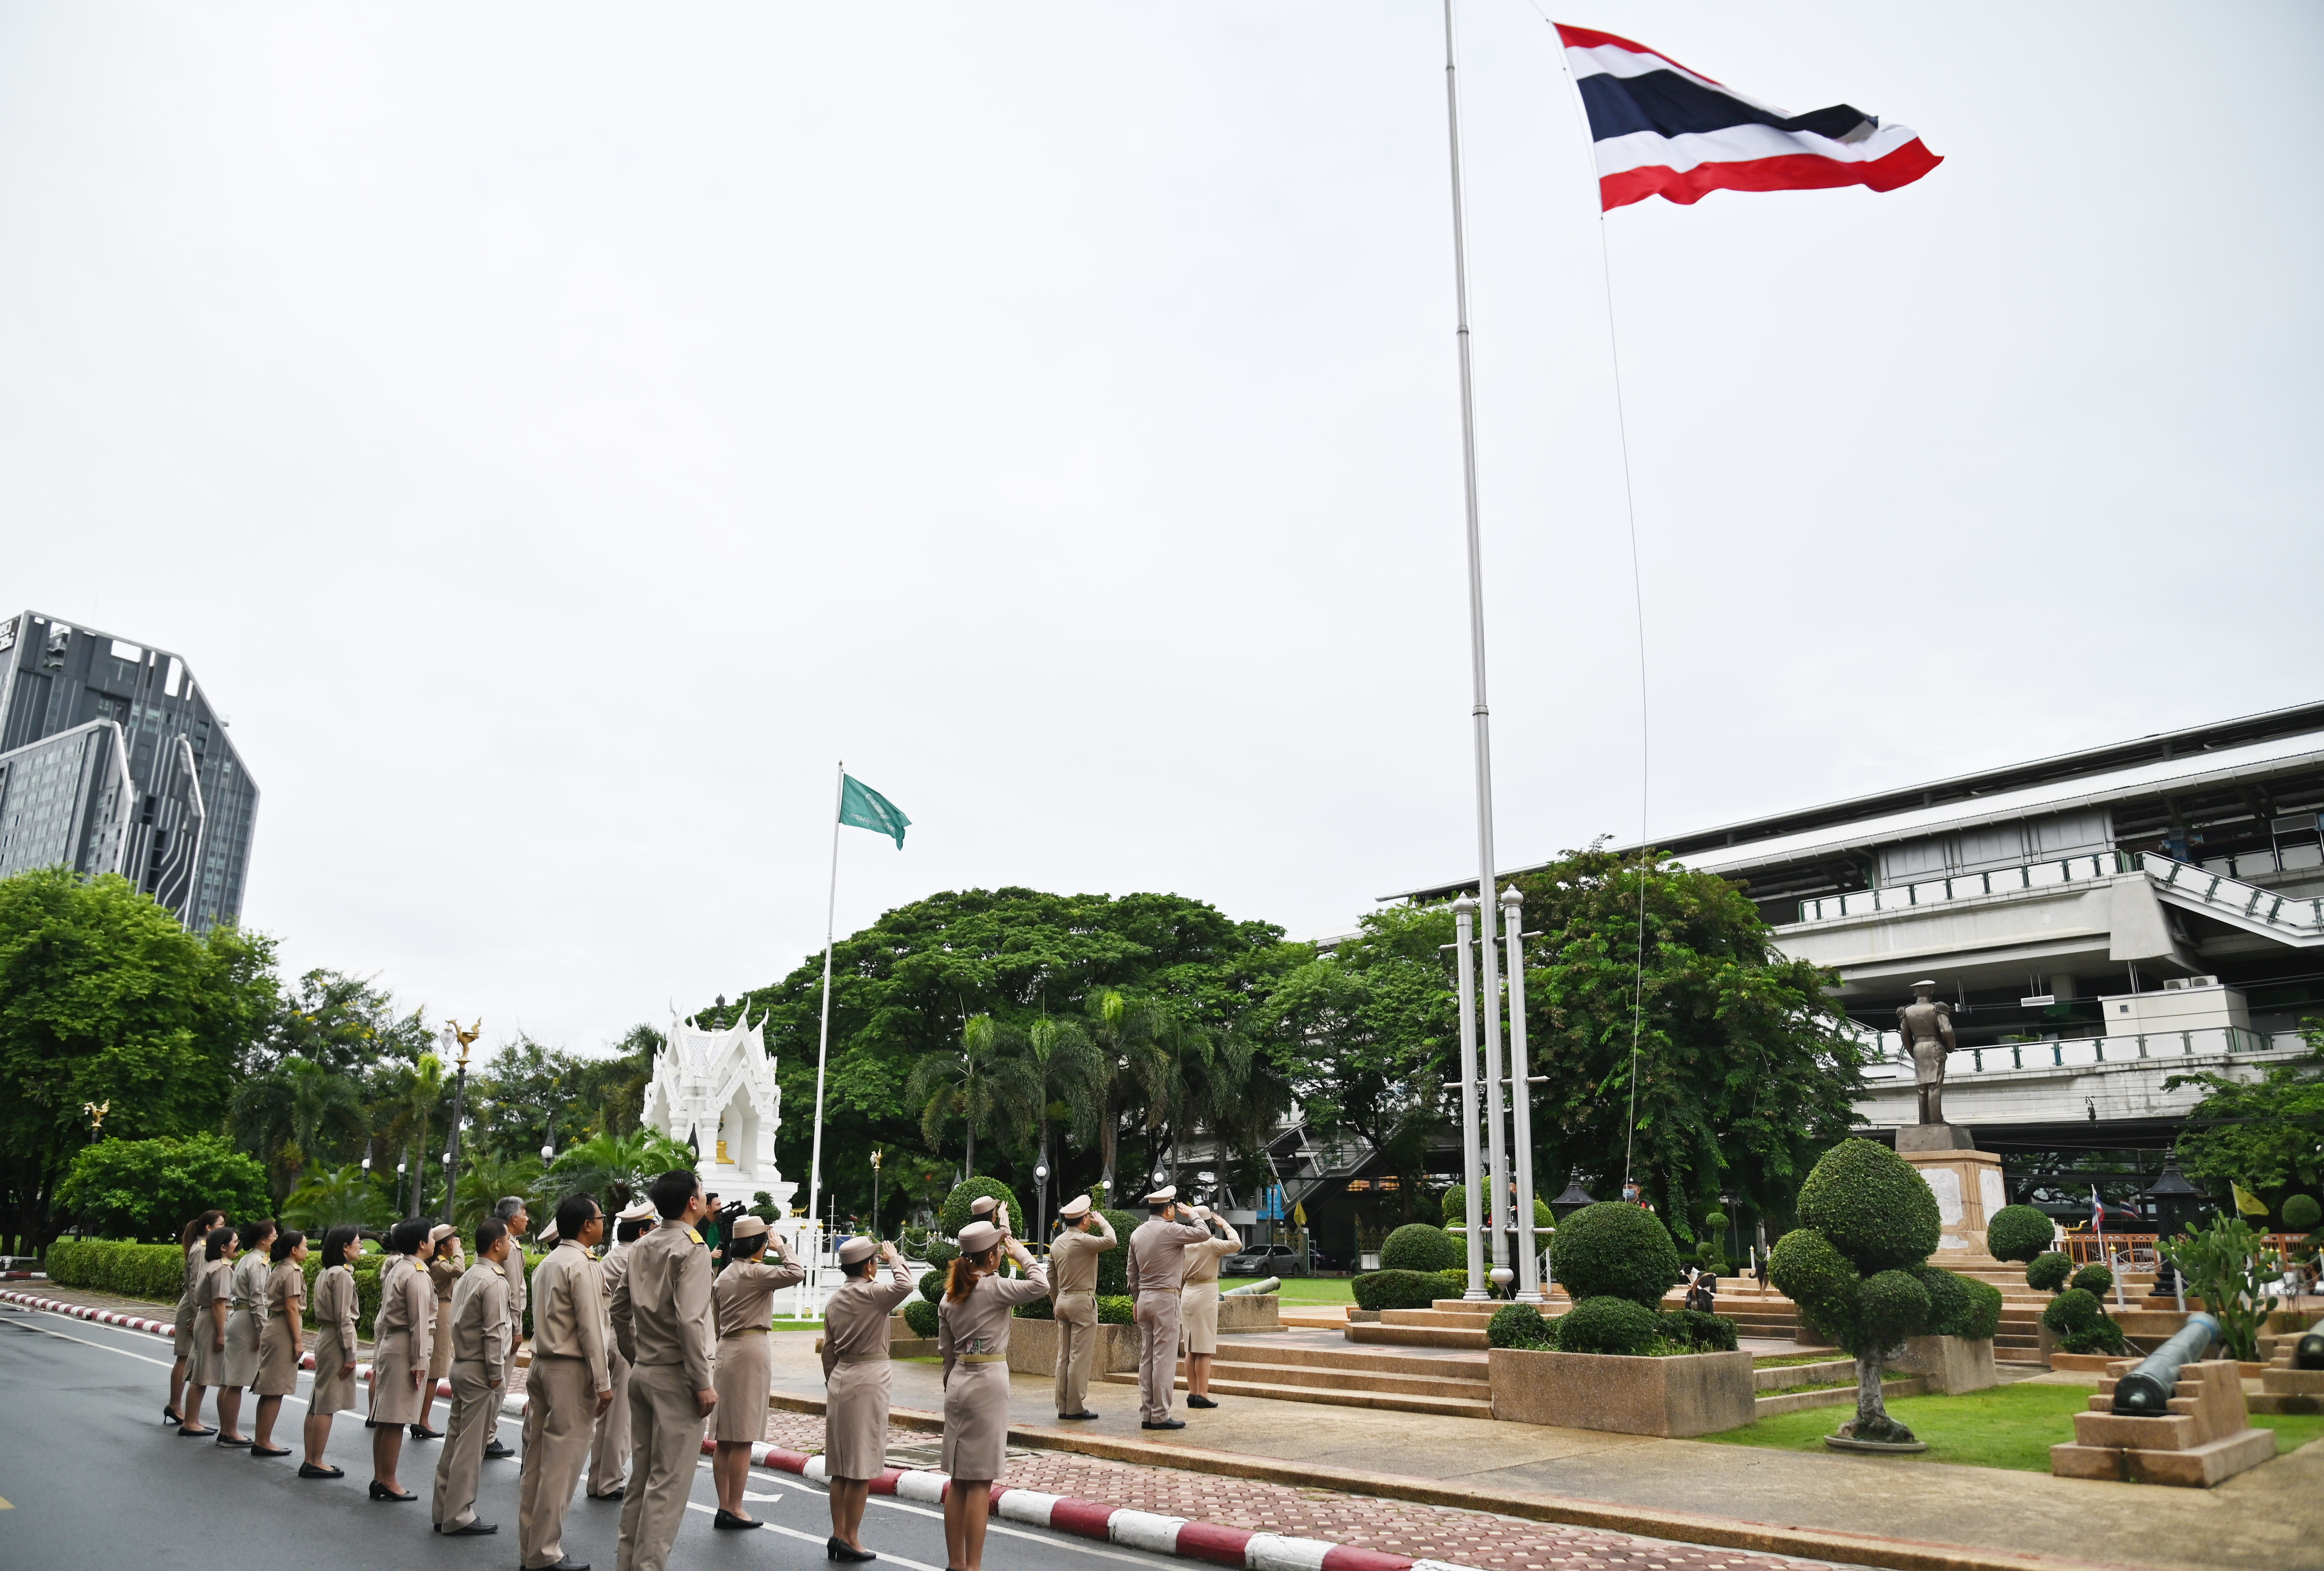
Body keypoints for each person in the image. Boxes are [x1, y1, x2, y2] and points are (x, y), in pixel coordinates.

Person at [611, 1168, 717, 1571]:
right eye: (701, 1192)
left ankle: (628, 1563)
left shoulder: (643, 1244)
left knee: (641, 1480)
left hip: (645, 1370)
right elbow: (691, 1321)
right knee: (668, 1486)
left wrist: (635, 1355)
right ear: (692, 1202)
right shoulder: (692, 1248)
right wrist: (702, 1382)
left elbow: (619, 1309)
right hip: (677, 1377)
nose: (704, 1197)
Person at [937, 1218, 1048, 1571]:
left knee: (958, 1480)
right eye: (999, 1250)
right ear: (992, 1257)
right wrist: (1022, 1255)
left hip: (959, 1381)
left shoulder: (950, 1294)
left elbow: (946, 1353)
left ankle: (956, 1564)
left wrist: (953, 1384)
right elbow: (1041, 1284)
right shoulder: (995, 1288)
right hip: (988, 1382)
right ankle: (973, 1567)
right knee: (980, 1482)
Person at [520, 1194, 612, 1571]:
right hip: (570, 1371)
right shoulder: (582, 1264)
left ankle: (530, 1550)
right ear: (587, 1225)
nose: (603, 1223)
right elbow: (591, 1328)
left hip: (542, 1364)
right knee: (561, 1466)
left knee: (536, 1463)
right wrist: (603, 1382)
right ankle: (545, 1553)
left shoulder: (549, 1262)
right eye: (600, 1218)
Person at [704, 1214, 804, 1529]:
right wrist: (782, 1248)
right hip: (751, 1348)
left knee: (724, 1437)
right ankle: (735, 1507)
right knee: (743, 1436)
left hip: (727, 1349)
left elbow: (718, 1325)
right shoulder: (756, 1273)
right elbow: (797, 1273)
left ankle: (724, 1505)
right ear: (759, 1245)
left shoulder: (723, 1277)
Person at [821, 1234, 914, 1562]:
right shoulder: (873, 1294)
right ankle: (852, 1538)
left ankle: (838, 1534)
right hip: (869, 1376)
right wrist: (895, 1259)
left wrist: (833, 1381)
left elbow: (828, 1351)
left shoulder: (835, 1300)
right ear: (869, 1267)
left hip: (841, 1376)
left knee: (840, 1466)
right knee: (861, 1466)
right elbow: (906, 1285)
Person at [432, 1217, 511, 1537]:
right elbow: (494, 1332)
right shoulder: (494, 1281)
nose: (510, 1245)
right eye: (508, 1240)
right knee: (470, 1447)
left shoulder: (469, 1275)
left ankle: (443, 1510)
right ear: (497, 1244)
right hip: (481, 1369)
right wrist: (496, 1375)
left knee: (455, 1440)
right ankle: (459, 1514)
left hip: (462, 1364)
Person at [1125, 1187, 1212, 1430]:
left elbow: (1132, 1272)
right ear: (1169, 1209)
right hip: (1165, 1299)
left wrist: (1136, 1300)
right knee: (1164, 1360)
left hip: (1144, 1299)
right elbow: (1204, 1233)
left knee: (1147, 1359)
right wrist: (1193, 1214)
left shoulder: (1137, 1233)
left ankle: (1147, 1413)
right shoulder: (1171, 1230)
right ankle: (1160, 1415)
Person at [587, 1201, 656, 1501]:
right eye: (652, 1229)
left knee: (607, 1415)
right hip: (626, 1339)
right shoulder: (638, 1258)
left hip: (607, 1337)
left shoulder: (611, 1257)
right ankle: (610, 1479)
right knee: (621, 1417)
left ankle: (598, 1479)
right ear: (642, 1233)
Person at [369, 1216, 437, 1501]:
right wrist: (419, 1361)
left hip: (392, 1343)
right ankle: (389, 1480)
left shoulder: (400, 1267)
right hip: (405, 1347)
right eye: (431, 1236)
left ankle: (380, 1477)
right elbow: (419, 1322)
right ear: (422, 1243)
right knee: (396, 1419)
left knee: (386, 1418)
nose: (434, 1241)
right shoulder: (417, 1273)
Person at [1046, 1195, 1115, 1420]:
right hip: (1082, 1302)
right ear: (1085, 1219)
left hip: (1063, 1301)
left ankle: (1062, 1406)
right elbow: (1111, 1240)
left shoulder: (1058, 1243)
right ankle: (1075, 1407)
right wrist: (1102, 1222)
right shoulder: (1084, 1241)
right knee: (1079, 1357)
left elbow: (1051, 1277)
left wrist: (1055, 1302)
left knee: (1063, 1356)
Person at [304, 1225, 362, 1478]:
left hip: (326, 1336)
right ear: (345, 1248)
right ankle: (316, 1460)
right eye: (357, 1242)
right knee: (326, 1403)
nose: (360, 1247)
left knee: (318, 1401)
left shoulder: (327, 1272)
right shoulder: (342, 1275)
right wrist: (350, 1353)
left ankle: (310, 1458)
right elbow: (344, 1318)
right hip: (336, 1339)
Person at [217, 1218, 277, 1448]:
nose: (276, 1239)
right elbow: (258, 1298)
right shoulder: (258, 1263)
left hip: (239, 1317)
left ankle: (226, 1430)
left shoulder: (247, 1258)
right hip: (247, 1323)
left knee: (230, 1380)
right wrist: (263, 1330)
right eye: (274, 1236)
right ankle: (230, 1432)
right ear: (263, 1240)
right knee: (236, 1381)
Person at [1176, 1205, 1242, 1408]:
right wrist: (1225, 1225)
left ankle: (1193, 1392)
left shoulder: (1184, 1245)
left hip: (1187, 1292)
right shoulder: (1211, 1243)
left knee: (1190, 1347)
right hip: (1205, 1293)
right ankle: (1203, 1394)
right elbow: (1237, 1244)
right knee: (1204, 1348)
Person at [166, 1208, 226, 1427]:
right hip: (193, 1308)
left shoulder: (203, 1247)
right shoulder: (202, 1250)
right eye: (221, 1225)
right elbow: (196, 1286)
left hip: (194, 1308)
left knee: (190, 1359)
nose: (224, 1229)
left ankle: (178, 1407)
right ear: (209, 1228)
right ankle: (175, 1406)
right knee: (185, 1358)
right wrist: (196, 1316)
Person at [251, 1229, 307, 1457]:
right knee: (275, 1390)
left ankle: (261, 1439)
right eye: (304, 1246)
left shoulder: (279, 1269)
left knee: (269, 1389)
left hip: (274, 1326)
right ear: (294, 1250)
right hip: (283, 1330)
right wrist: (298, 1341)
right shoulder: (292, 1272)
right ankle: (264, 1441)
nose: (307, 1250)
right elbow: (292, 1308)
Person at [180, 1223, 237, 1439]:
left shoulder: (212, 1264)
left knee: (200, 1372)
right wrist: (222, 1334)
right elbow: (219, 1303)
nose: (238, 1245)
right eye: (235, 1242)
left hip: (206, 1319)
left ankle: (192, 1420)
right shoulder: (222, 1268)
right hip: (213, 1321)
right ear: (223, 1247)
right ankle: (190, 1422)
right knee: (202, 1375)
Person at [490, 1196, 531, 1461]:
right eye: (524, 1214)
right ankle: (488, 1437)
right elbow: (515, 1290)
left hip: (497, 1320)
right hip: (506, 1322)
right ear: (514, 1219)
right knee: (500, 1383)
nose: (528, 1219)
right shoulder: (511, 1247)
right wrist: (518, 1328)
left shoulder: (497, 1239)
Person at [417, 1221, 462, 1440]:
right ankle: (422, 1420)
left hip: (444, 1310)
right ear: (443, 1247)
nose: (456, 1244)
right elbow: (459, 1270)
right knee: (435, 1371)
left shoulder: (437, 1263)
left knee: (434, 1370)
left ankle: (421, 1418)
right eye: (452, 1242)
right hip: (442, 1312)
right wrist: (459, 1252)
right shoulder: (438, 1265)